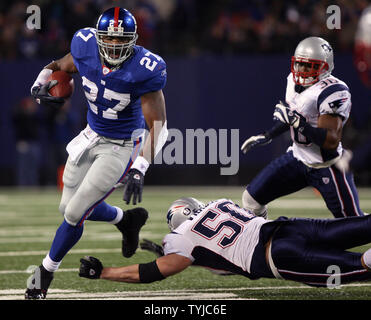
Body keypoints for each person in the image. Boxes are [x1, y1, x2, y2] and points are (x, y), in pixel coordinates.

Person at [25, 7, 168, 299]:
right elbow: (61, 65)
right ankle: (125, 220)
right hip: (90, 136)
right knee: (67, 208)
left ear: (134, 39)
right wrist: (39, 83)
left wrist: (140, 166)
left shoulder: (145, 68)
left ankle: (44, 274)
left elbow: (160, 126)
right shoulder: (84, 44)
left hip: (121, 145)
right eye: (110, 39)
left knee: (76, 213)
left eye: (121, 40)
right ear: (99, 37)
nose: (115, 46)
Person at [78, 197, 371, 287]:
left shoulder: (182, 238)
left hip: (277, 256)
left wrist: (104, 272)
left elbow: (153, 272)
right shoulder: (222, 203)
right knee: (361, 226)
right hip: (290, 228)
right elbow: (224, 256)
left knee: (360, 266)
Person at [240, 36, 364, 219]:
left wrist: (297, 121)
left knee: (354, 224)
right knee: (251, 200)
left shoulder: (333, 91)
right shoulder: (292, 80)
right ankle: (261, 241)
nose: (303, 70)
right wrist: (268, 135)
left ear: (325, 67)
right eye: (300, 64)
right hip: (297, 158)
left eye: (310, 66)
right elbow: (294, 116)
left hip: (327, 165)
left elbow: (330, 141)